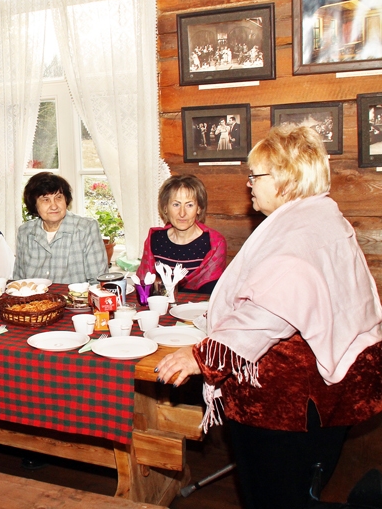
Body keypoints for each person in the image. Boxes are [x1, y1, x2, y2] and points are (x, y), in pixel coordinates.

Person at [155, 125, 382, 509]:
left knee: (275, 495)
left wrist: (199, 357)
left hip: (288, 404)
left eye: (255, 175)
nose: (249, 185)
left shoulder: (297, 238)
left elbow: (264, 318)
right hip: (315, 397)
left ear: (284, 178)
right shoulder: (317, 217)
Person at [136, 174, 226, 294]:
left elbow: (212, 293)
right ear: (165, 208)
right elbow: (145, 286)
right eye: (176, 204)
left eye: (189, 205)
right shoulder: (155, 239)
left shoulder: (214, 244)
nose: (182, 213)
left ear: (199, 208)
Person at [13, 172, 108, 284]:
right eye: (45, 199)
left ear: (66, 200)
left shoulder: (85, 228)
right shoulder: (25, 232)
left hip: (73, 300)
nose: (54, 206)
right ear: (34, 204)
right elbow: (19, 280)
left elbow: (99, 281)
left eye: (58, 198)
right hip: (34, 299)